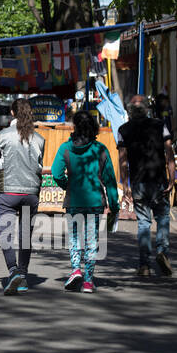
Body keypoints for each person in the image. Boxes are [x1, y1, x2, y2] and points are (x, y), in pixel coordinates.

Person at [51, 110, 120, 293]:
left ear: (75, 127)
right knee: (92, 240)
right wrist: (114, 205)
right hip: (95, 202)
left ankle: (75, 270)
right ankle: (88, 281)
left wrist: (68, 186)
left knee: (74, 238)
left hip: (74, 201)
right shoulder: (101, 150)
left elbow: (56, 173)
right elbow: (110, 181)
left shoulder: (65, 148)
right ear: (94, 128)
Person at [117, 94, 177, 277]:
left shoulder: (123, 130)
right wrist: (172, 178)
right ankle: (163, 253)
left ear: (130, 109)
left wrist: (125, 184)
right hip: (158, 181)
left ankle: (144, 265)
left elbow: (123, 159)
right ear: (147, 108)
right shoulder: (160, 126)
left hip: (139, 182)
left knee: (143, 223)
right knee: (163, 218)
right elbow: (169, 152)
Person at [0, 97, 46, 294]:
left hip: (8, 191)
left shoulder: (3, 135)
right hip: (30, 193)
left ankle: (13, 271)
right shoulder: (39, 138)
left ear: (12, 113)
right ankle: (22, 275)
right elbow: (39, 164)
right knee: (25, 236)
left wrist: (3, 167)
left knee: (6, 234)